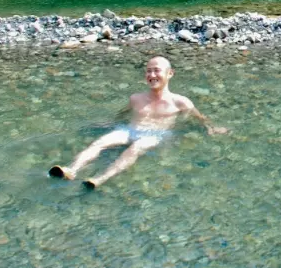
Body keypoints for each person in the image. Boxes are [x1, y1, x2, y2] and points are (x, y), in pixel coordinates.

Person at [49, 56, 229, 189]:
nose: (152, 74)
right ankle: (71, 170)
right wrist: (105, 124)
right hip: (130, 129)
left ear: (170, 73)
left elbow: (200, 118)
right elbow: (121, 115)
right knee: (100, 142)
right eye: (149, 71)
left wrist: (211, 128)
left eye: (156, 70)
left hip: (156, 135)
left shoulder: (181, 102)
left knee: (136, 148)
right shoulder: (135, 98)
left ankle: (99, 179)